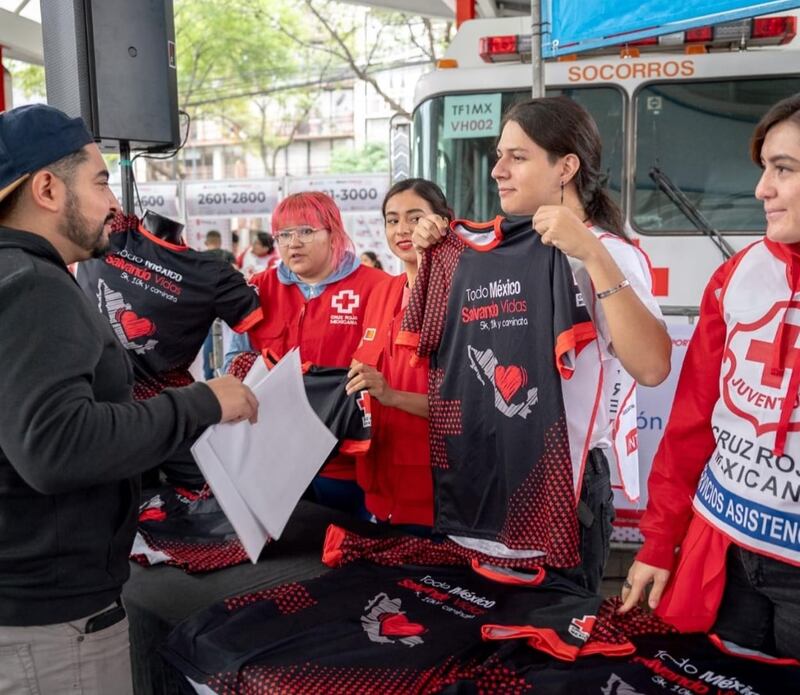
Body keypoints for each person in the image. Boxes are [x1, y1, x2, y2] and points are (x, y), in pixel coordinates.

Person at [0, 104, 258, 693]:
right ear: (46, 187)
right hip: (52, 627)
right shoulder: (32, 286)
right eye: (98, 181)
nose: (114, 203)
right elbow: (56, 446)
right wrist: (202, 403)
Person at [412, 96, 671, 592]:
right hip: (479, 489)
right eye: (498, 156)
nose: (497, 171)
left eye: (518, 156)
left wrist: (593, 254)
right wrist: (424, 260)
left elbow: (653, 366)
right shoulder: (475, 253)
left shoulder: (610, 253)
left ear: (566, 167)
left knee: (551, 655)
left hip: (560, 495)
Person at [621, 94, 800, 660]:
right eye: (764, 168)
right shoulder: (738, 276)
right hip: (726, 551)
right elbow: (692, 423)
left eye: (784, 169)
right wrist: (658, 542)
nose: (761, 190)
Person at [228, 191, 386, 515]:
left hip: (346, 461)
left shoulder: (377, 288)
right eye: (284, 234)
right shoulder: (259, 288)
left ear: (333, 233)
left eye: (306, 231)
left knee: (344, 548)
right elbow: (235, 360)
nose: (293, 243)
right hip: (274, 457)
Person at [346, 179, 451, 527]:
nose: (402, 229)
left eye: (415, 217)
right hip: (379, 485)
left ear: (442, 221)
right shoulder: (382, 292)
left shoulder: (459, 296)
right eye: (392, 220)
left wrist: (391, 395)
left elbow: (471, 404)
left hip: (437, 492)